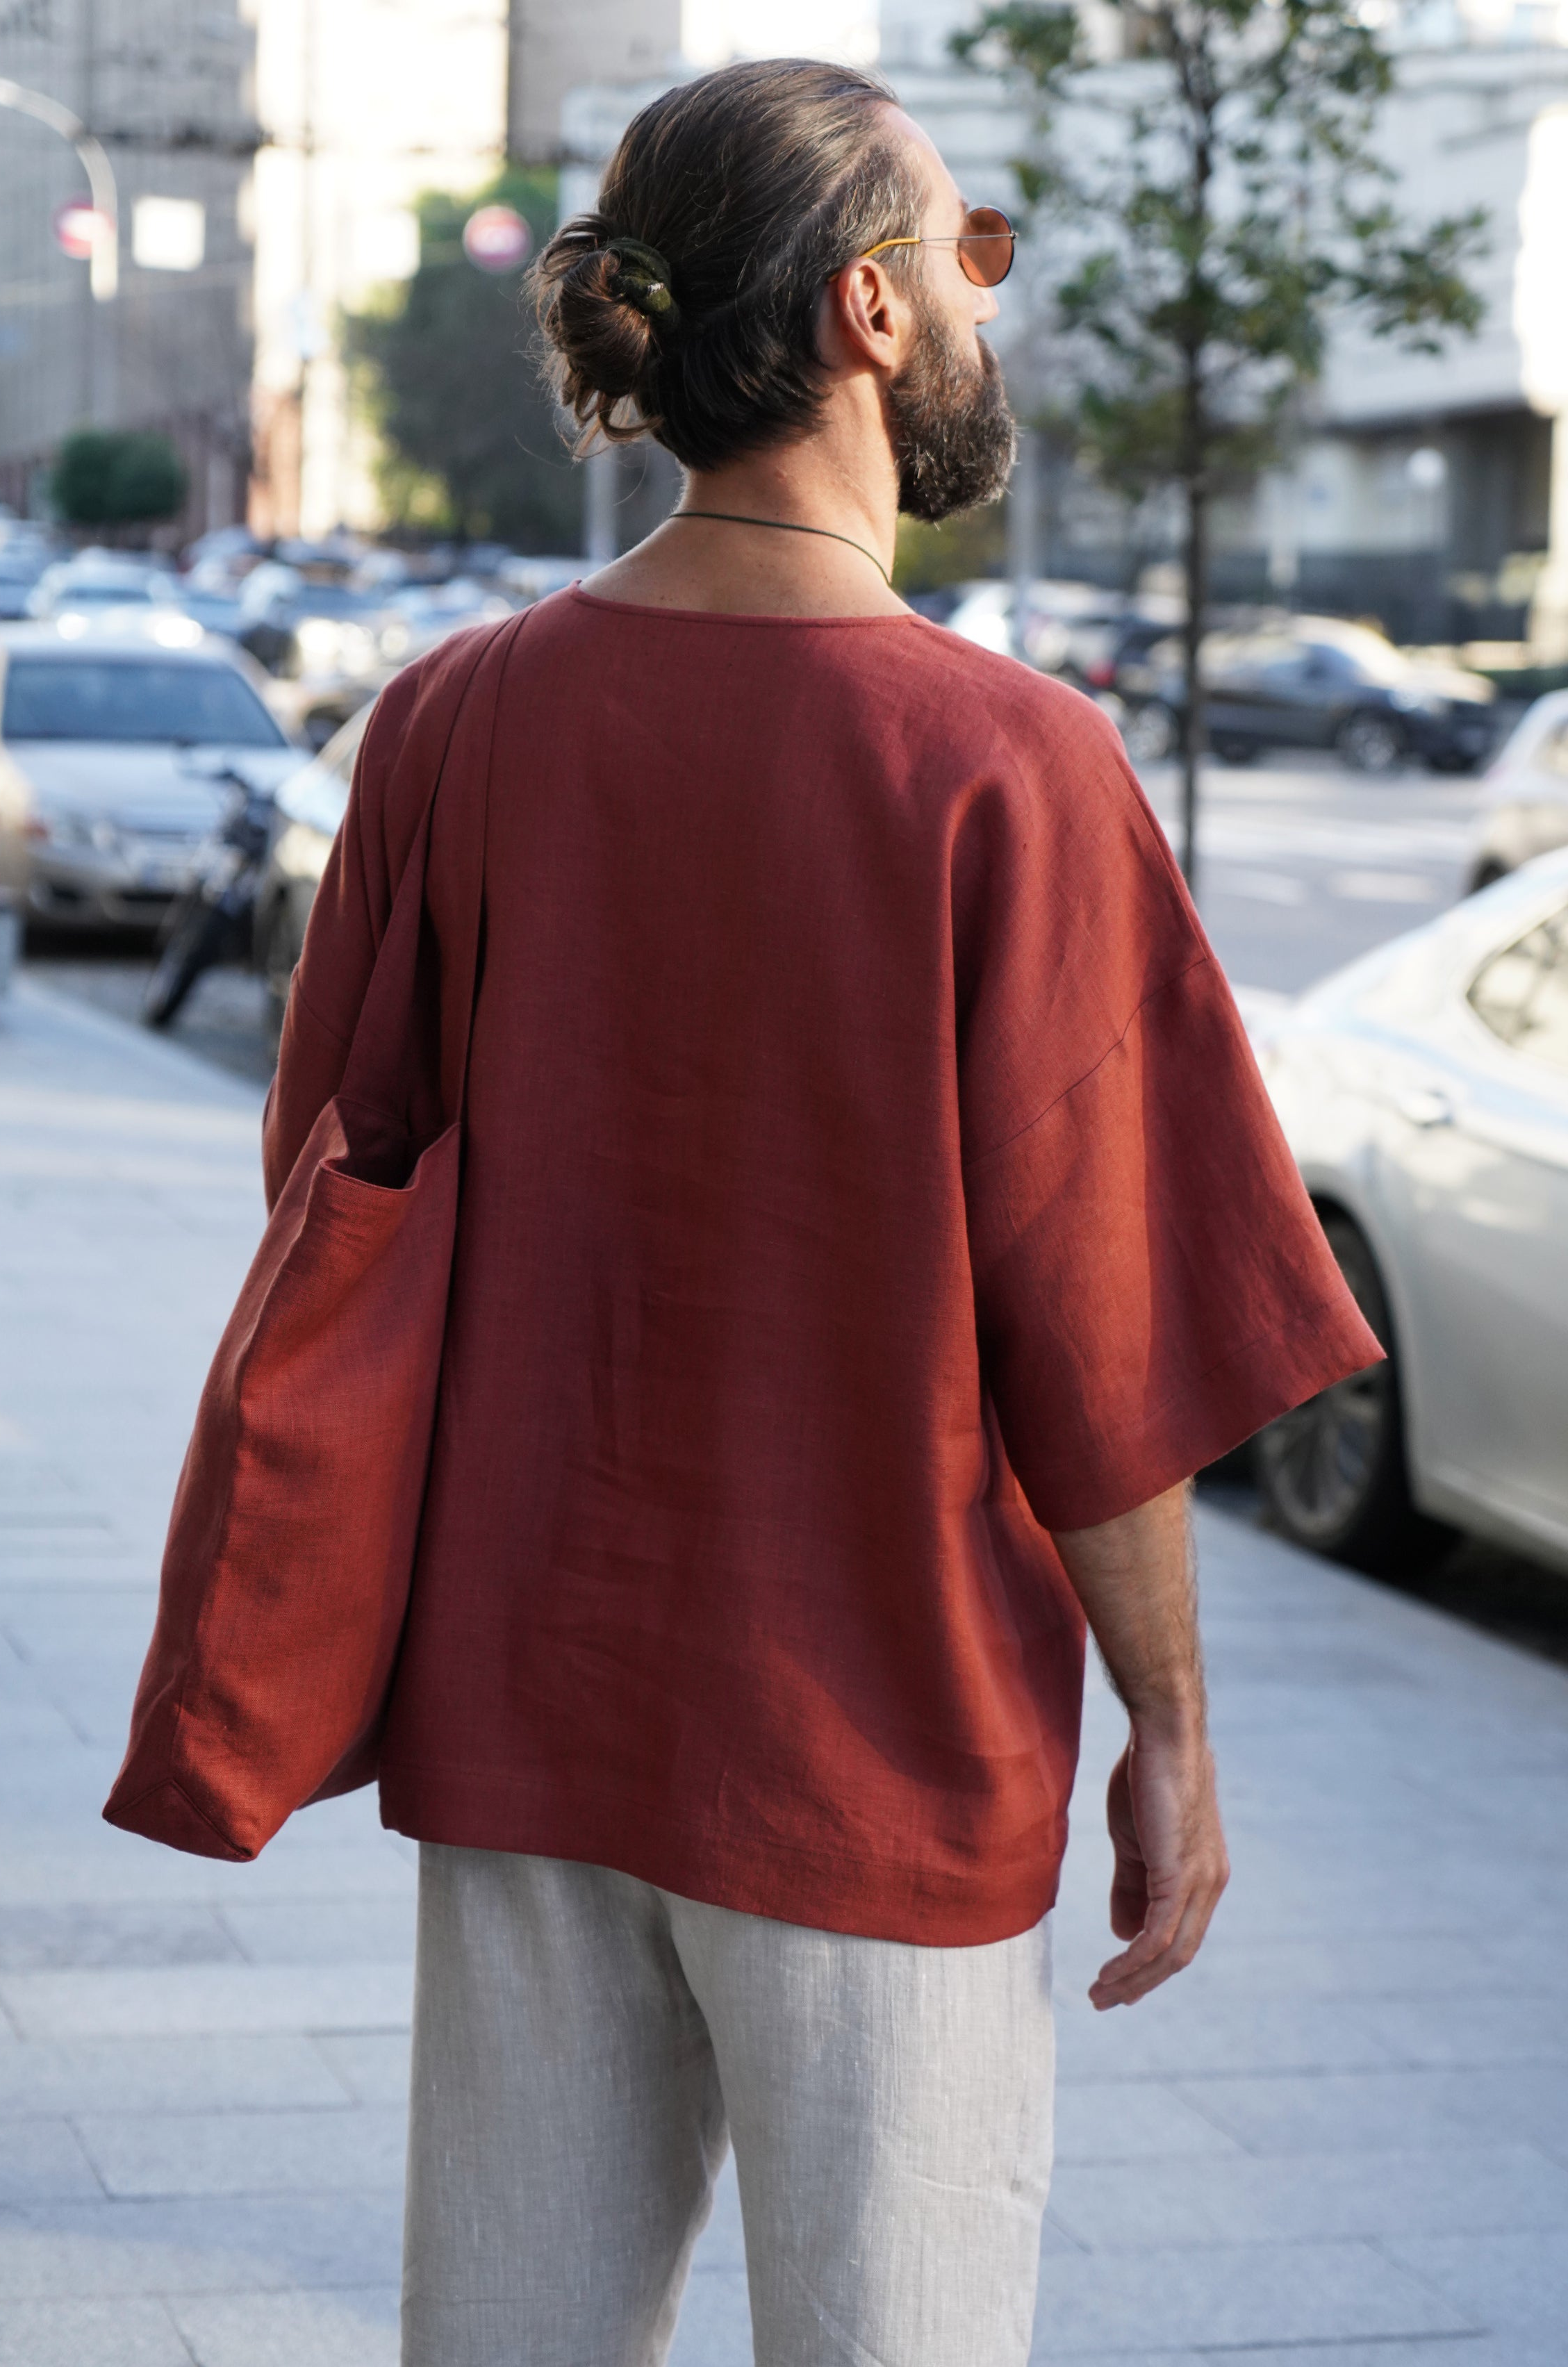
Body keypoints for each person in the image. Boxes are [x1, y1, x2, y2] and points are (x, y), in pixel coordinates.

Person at [264, 57, 1380, 2367]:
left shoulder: (452, 727)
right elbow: (1105, 1332)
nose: (988, 299)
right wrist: (1171, 1727)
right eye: (972, 253)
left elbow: (327, 1205)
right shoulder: (1009, 767)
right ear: (872, 310)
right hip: (882, 1754)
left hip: (526, 1711)